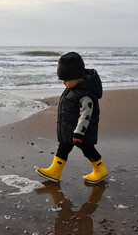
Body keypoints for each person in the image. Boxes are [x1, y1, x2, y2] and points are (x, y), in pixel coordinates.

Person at [36, 52, 108, 184]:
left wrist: (79, 133)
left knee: (88, 150)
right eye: (62, 80)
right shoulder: (74, 88)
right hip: (70, 129)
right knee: (63, 148)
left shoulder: (85, 94)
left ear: (78, 77)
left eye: (66, 80)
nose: (64, 83)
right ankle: (55, 171)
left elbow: (86, 115)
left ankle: (100, 170)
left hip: (81, 132)